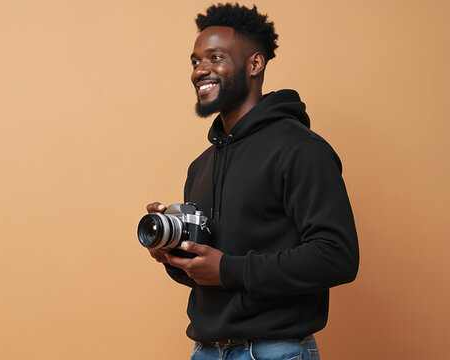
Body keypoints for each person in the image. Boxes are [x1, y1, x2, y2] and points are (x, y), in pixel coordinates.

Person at [145, 4, 359, 360]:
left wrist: (227, 268)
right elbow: (209, 275)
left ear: (255, 64)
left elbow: (337, 256)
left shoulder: (300, 149)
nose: (201, 70)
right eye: (195, 61)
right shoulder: (201, 167)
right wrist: (172, 256)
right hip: (206, 351)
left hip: (274, 352)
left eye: (215, 57)